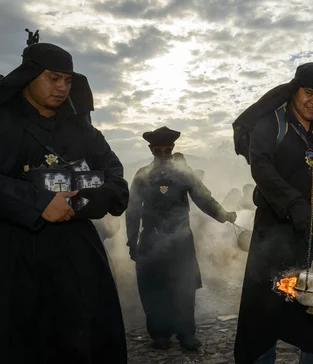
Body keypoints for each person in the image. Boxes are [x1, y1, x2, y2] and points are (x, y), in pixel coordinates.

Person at [0, 42, 129, 362]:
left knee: (85, 340)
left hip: (77, 253)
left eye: (68, 80)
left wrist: (86, 200)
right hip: (16, 253)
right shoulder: (4, 122)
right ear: (29, 76)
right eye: (53, 78)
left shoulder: (83, 131)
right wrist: (38, 202)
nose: (62, 88)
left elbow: (116, 177)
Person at [232, 62, 313, 364]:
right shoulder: (272, 122)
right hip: (277, 230)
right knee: (265, 310)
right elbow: (262, 167)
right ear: (295, 90)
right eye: (308, 93)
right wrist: (295, 205)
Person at [126, 126, 237, 351]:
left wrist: (223, 215)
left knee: (184, 289)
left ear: (173, 148)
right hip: (150, 240)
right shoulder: (141, 175)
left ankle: (186, 335)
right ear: (151, 150)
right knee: (153, 290)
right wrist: (132, 242)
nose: (164, 156)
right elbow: (133, 210)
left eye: (168, 151)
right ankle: (159, 335)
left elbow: (204, 198)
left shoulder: (185, 174)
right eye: (159, 152)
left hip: (180, 241)